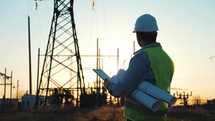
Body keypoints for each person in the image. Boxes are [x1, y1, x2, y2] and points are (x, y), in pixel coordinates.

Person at [103, 14, 174, 121]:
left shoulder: (142, 58)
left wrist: (110, 86)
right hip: (159, 118)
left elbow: (123, 89)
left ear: (138, 36)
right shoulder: (167, 59)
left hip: (139, 118)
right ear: (156, 34)